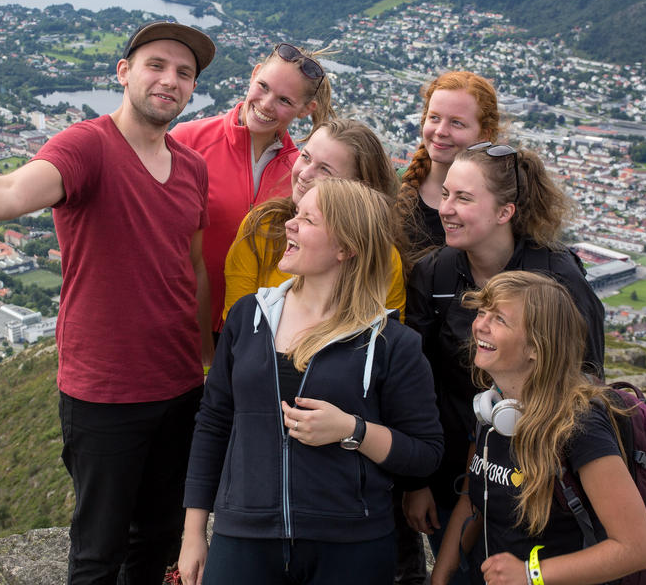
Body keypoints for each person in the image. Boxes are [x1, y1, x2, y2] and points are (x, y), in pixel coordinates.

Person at [0, 20, 217, 585]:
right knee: (98, 552)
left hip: (179, 386)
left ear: (192, 88)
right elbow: (12, 190)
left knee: (155, 540)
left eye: (184, 72)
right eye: (156, 65)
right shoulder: (88, 146)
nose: (169, 80)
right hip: (105, 391)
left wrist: (207, 363)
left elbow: (192, 267)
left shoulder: (193, 168)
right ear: (123, 73)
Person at [178, 179, 444, 585]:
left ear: (345, 248)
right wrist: (193, 533)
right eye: (296, 214)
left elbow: (425, 455)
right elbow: (214, 424)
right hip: (243, 537)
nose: (290, 225)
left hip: (351, 546)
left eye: (307, 219)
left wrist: (352, 431)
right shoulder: (247, 318)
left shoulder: (392, 343)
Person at [403, 143, 606, 564]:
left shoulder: (555, 277)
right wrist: (416, 481)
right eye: (445, 194)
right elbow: (417, 386)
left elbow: (588, 378)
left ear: (504, 212)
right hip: (455, 477)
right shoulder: (435, 273)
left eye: (463, 198)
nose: (446, 209)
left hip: (543, 484)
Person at [430, 271, 646, 585]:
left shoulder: (580, 426)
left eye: (500, 319)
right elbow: (471, 502)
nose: (480, 325)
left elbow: (636, 548)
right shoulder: (493, 412)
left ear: (536, 347)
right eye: (482, 312)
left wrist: (530, 575)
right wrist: (439, 579)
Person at [172, 42, 335, 333]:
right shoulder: (189, 141)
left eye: (285, 100)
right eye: (263, 86)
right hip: (178, 319)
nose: (266, 104)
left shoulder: (301, 173)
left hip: (257, 330)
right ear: (254, 74)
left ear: (305, 110)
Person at [222, 118, 405, 321]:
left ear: (358, 187)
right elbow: (238, 324)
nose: (304, 173)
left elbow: (386, 338)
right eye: (305, 157)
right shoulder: (263, 227)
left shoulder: (381, 257)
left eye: (325, 170)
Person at [396, 71, 505, 256]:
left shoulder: (499, 205)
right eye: (434, 118)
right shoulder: (392, 185)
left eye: (456, 123)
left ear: (484, 135)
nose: (441, 131)